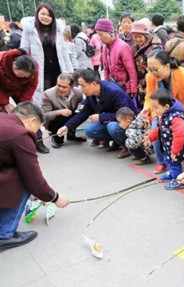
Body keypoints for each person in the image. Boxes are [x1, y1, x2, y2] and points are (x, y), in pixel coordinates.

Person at [0, 102, 69, 252]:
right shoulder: (20, 134)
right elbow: (34, 179)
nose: (36, 132)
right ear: (32, 121)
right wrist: (55, 198)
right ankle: (5, 235)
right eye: (38, 128)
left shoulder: (3, 118)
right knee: (22, 177)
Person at [144, 50, 184, 173]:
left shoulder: (183, 74)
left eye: (155, 69)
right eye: (149, 69)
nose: (152, 73)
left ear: (167, 66)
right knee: (155, 129)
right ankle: (161, 161)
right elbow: (148, 97)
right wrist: (147, 108)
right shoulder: (150, 77)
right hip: (161, 112)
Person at [57, 69, 138, 158]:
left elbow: (125, 115)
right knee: (90, 130)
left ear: (94, 84)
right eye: (80, 86)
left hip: (128, 123)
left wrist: (101, 117)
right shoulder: (91, 95)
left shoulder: (114, 92)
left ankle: (129, 146)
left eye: (83, 86)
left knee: (112, 127)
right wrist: (67, 127)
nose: (81, 89)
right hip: (110, 121)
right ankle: (118, 141)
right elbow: (83, 113)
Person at [21, 3, 73, 107]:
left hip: (57, 69)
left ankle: (58, 119)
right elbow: (24, 51)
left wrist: (69, 70)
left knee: (59, 95)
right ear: (37, 14)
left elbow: (63, 52)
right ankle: (45, 120)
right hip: (40, 70)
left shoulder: (57, 30)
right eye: (43, 14)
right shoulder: (30, 30)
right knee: (43, 97)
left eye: (49, 15)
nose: (46, 17)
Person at [144, 88, 184, 189]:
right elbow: (160, 129)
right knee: (167, 159)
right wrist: (150, 137)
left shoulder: (176, 118)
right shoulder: (164, 115)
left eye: (156, 108)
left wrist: (175, 151)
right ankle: (172, 174)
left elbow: (180, 135)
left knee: (174, 162)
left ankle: (179, 181)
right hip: (170, 144)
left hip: (181, 145)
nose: (154, 111)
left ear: (166, 107)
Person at [95, 19, 138, 98]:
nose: (99, 38)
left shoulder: (123, 47)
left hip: (125, 88)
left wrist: (133, 89)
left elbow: (131, 71)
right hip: (112, 87)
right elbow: (106, 69)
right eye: (98, 35)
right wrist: (106, 86)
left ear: (109, 34)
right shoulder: (105, 47)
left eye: (101, 35)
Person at [41, 73, 85, 148]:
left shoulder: (78, 93)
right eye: (59, 85)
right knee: (58, 118)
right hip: (55, 120)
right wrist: (59, 112)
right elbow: (44, 115)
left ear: (71, 87)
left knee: (82, 114)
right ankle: (57, 138)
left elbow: (81, 108)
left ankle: (72, 134)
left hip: (71, 116)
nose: (60, 89)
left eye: (64, 87)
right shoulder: (48, 94)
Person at [131, 21, 162, 108]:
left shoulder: (154, 48)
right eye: (135, 37)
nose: (137, 39)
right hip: (141, 85)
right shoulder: (137, 47)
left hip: (153, 83)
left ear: (146, 36)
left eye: (140, 37)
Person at [0, 49, 38, 114]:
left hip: (19, 90)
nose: (22, 78)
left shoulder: (34, 67)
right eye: (21, 75)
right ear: (14, 64)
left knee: (26, 112)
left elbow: (31, 86)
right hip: (2, 89)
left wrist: (22, 104)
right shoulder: (2, 60)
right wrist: (6, 103)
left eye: (25, 77)